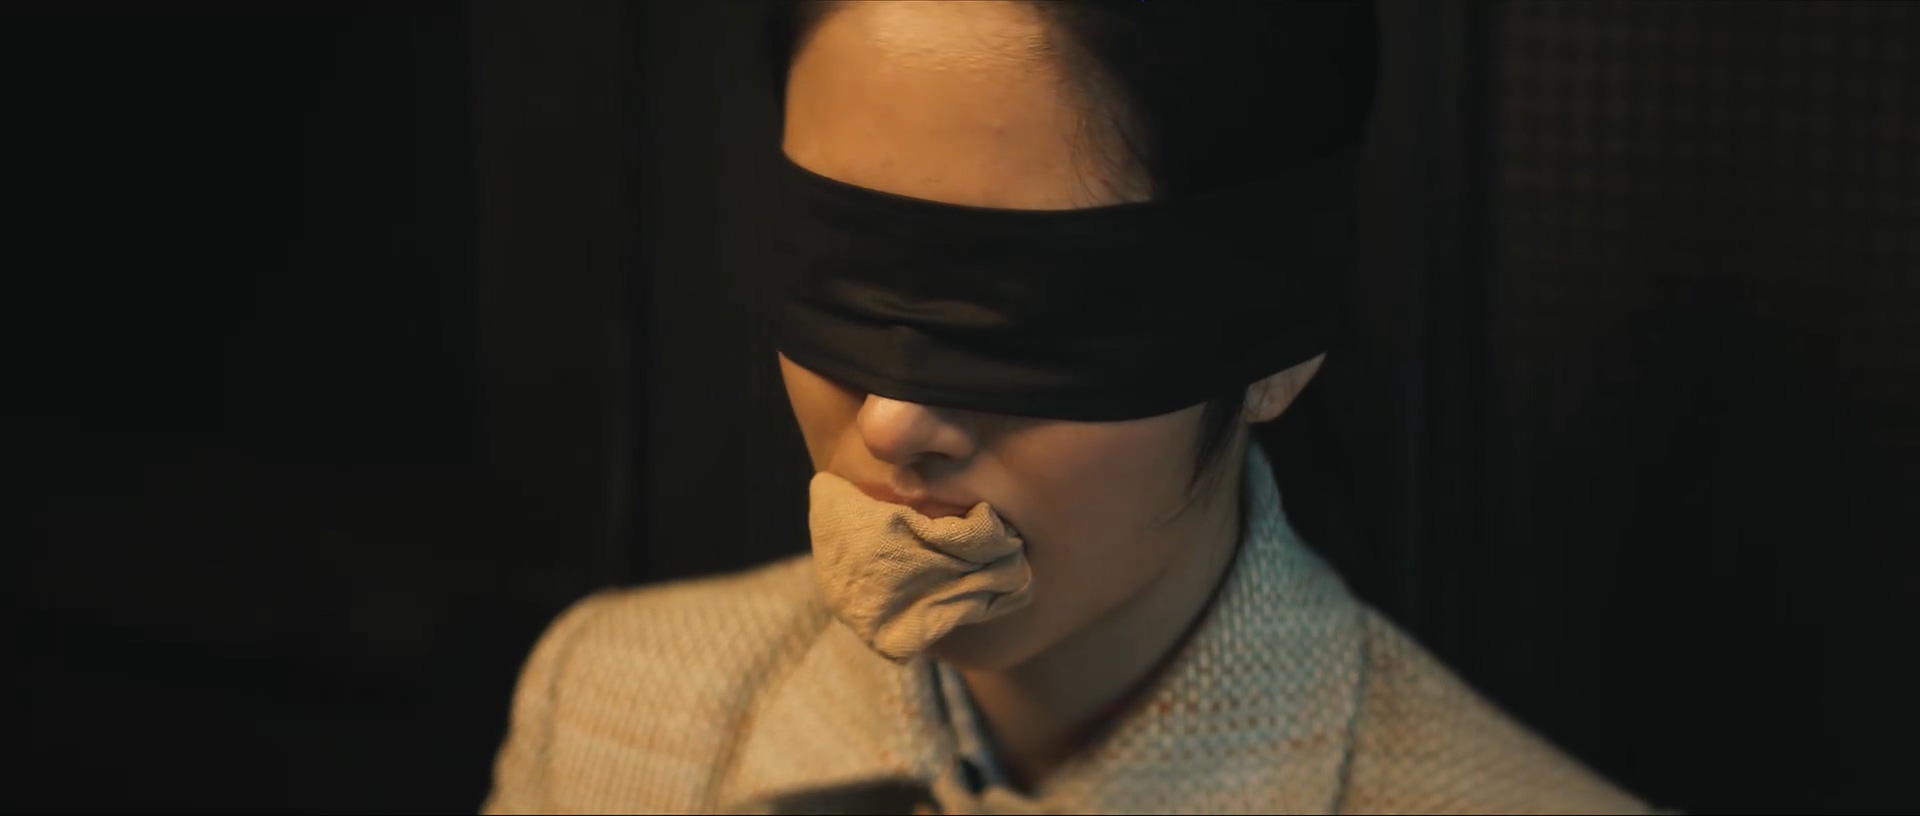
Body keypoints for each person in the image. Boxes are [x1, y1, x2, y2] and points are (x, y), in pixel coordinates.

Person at [481, 2, 1661, 813]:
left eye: (1027, 318)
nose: (895, 423)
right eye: (844, 278)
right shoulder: (606, 722)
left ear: (1276, 344)